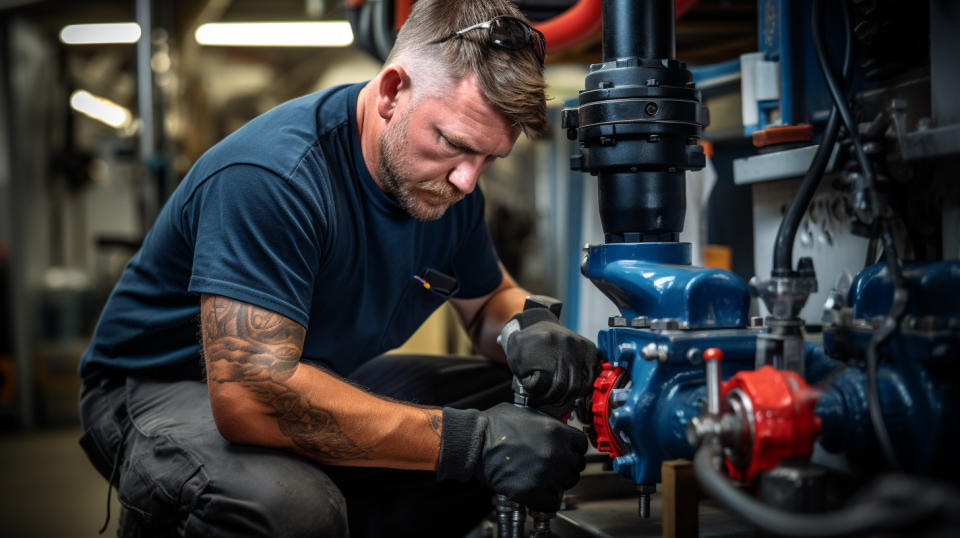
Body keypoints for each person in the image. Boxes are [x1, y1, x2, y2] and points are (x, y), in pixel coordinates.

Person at [78, 0, 600, 536]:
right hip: (161, 386)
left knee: (518, 406)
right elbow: (250, 396)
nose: (468, 180)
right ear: (393, 91)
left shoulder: (449, 189)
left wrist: (531, 328)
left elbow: (488, 302)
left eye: (489, 158)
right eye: (452, 144)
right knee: (289, 509)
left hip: (311, 371)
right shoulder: (274, 177)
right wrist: (467, 444)